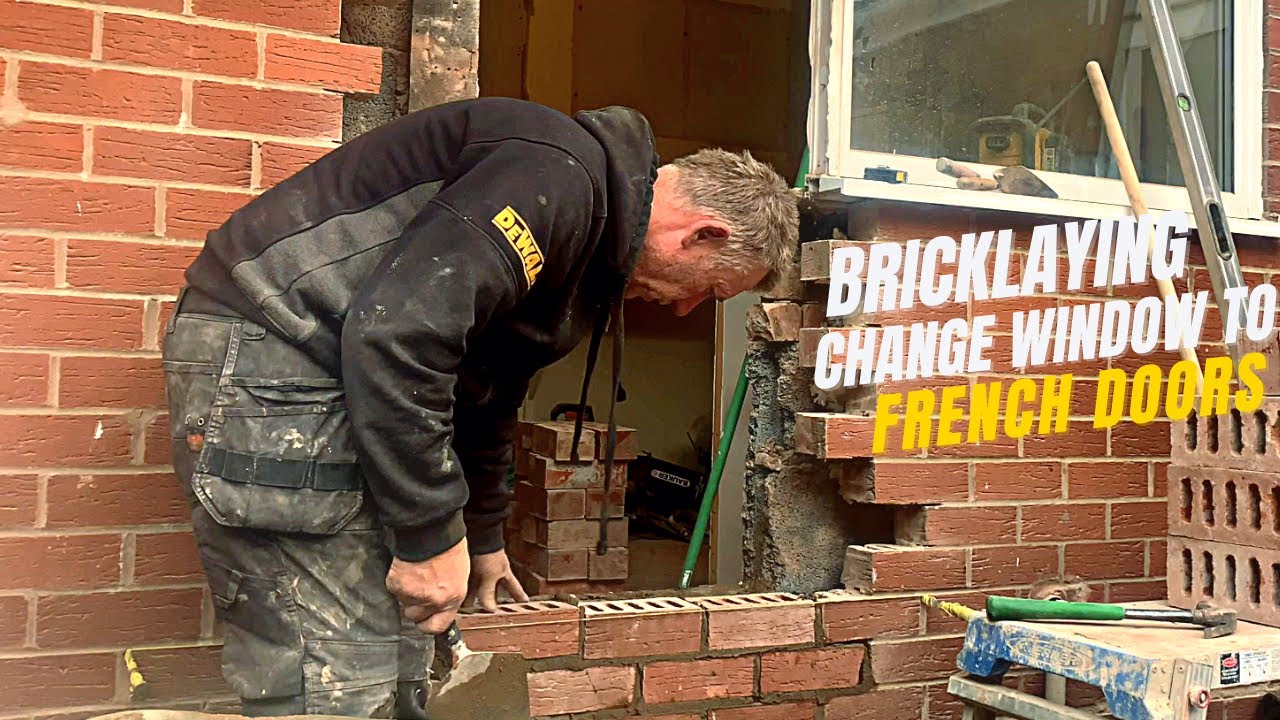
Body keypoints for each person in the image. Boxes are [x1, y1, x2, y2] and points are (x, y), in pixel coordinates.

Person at [160, 96, 798, 718]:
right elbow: (399, 335)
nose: (686, 309)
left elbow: (487, 388)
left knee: (400, 649)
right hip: (277, 351)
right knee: (335, 671)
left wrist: (481, 537)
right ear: (702, 233)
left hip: (336, 366)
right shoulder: (553, 174)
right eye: (709, 291)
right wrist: (430, 534)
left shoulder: (582, 242)